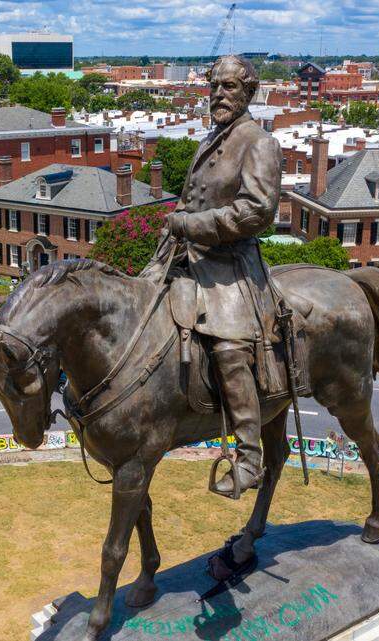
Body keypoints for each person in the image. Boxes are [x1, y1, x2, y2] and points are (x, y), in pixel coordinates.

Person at [139, 54, 282, 498]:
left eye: (229, 87)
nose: (218, 94)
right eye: (214, 86)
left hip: (231, 264)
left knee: (227, 346)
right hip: (183, 253)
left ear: (248, 92)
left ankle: (248, 456)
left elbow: (257, 211)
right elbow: (192, 198)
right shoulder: (211, 139)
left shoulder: (258, 142)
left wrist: (191, 225)